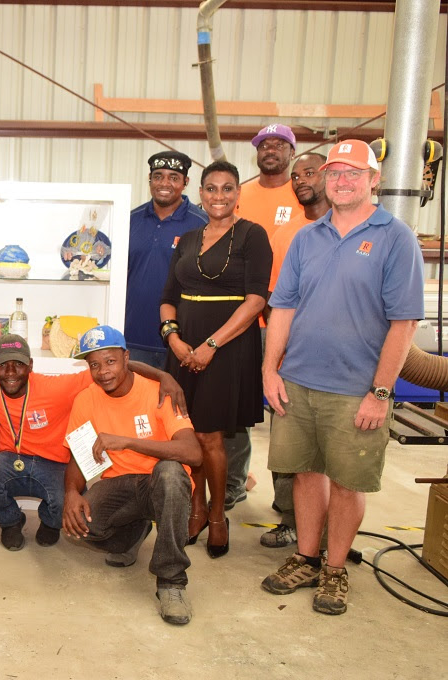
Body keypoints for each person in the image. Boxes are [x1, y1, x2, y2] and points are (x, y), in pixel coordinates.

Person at [261, 140, 423, 615]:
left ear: (374, 180)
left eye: (354, 173)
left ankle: (334, 569)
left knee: (348, 482)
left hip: (356, 390)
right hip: (298, 382)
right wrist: (271, 370)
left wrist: (380, 392)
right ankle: (307, 557)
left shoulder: (395, 237)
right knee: (306, 475)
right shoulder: (307, 238)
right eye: (335, 173)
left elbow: (404, 323)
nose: (343, 181)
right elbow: (283, 308)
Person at [0, 335, 186, 552]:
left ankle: (49, 521)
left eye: (18, 366)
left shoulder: (58, 386)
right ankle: (10, 522)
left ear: (30, 365)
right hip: (8, 462)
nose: (10, 374)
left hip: (54, 465)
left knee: (67, 506)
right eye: (3, 367)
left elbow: (109, 366)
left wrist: (162, 374)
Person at [160, 160, 272, 558]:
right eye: (211, 188)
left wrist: (211, 345)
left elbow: (257, 300)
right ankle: (195, 508)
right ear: (201, 193)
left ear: (238, 193)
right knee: (189, 432)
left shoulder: (252, 236)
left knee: (211, 436)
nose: (219, 196)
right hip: (183, 347)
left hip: (226, 348)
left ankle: (217, 515)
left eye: (227, 188)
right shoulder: (188, 238)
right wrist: (174, 341)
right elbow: (168, 298)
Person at [62, 325, 202, 625]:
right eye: (94, 365)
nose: (103, 372)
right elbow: (77, 455)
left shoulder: (160, 392)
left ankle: (171, 582)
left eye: (110, 361)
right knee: (84, 525)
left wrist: (128, 441)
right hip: (120, 485)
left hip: (163, 484)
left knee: (169, 473)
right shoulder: (86, 399)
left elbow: (193, 454)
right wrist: (72, 493)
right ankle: (132, 535)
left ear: (126, 358)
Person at [225, 124, 311, 510]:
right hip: (240, 319)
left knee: (286, 415)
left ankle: (287, 505)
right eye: (264, 144)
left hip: (287, 323)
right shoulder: (240, 195)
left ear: (292, 152)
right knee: (233, 408)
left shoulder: (305, 196)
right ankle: (233, 483)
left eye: (279, 144)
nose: (270, 149)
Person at [261, 152, 331, 550]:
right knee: (289, 444)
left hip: (340, 362)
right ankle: (291, 519)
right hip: (293, 356)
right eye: (298, 174)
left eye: (311, 172)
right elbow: (274, 299)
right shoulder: (288, 236)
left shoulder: (350, 228)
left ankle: (329, 530)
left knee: (335, 454)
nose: (302, 179)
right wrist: (280, 349)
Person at [126, 151, 208, 368]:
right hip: (133, 338)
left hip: (183, 341)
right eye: (158, 176)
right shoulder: (129, 220)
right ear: (150, 180)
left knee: (178, 402)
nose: (165, 183)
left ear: (185, 182)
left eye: (173, 177)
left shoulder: (202, 224)